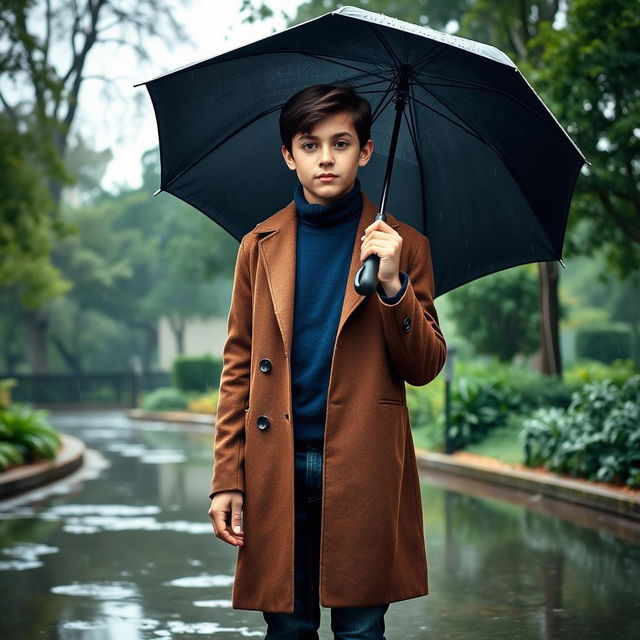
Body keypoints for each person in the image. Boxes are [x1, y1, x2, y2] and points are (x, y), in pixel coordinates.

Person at [208, 83, 447, 639]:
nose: (326, 158)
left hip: (363, 462)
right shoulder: (258, 245)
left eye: (341, 144)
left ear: (365, 152)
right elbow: (238, 366)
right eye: (310, 145)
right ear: (289, 155)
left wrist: (393, 286)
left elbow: (426, 364)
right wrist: (227, 479)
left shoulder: (403, 246)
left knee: (361, 629)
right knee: (287, 628)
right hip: (276, 463)